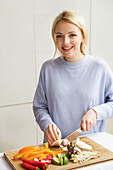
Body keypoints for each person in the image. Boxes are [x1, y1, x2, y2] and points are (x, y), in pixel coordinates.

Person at [33, 10, 113, 145]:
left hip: (92, 147)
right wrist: (47, 124)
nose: (65, 42)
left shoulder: (99, 67)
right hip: (56, 147)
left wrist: (96, 112)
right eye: (59, 36)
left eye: (72, 35)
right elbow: (39, 107)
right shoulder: (48, 68)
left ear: (83, 36)